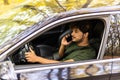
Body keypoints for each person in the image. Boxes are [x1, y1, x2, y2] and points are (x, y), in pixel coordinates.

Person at [25, 21, 96, 64]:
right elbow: (60, 55)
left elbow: (63, 65)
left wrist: (36, 59)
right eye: (72, 31)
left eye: (76, 32)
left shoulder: (88, 53)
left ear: (86, 34)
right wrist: (63, 45)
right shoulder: (74, 42)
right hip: (56, 61)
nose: (72, 34)